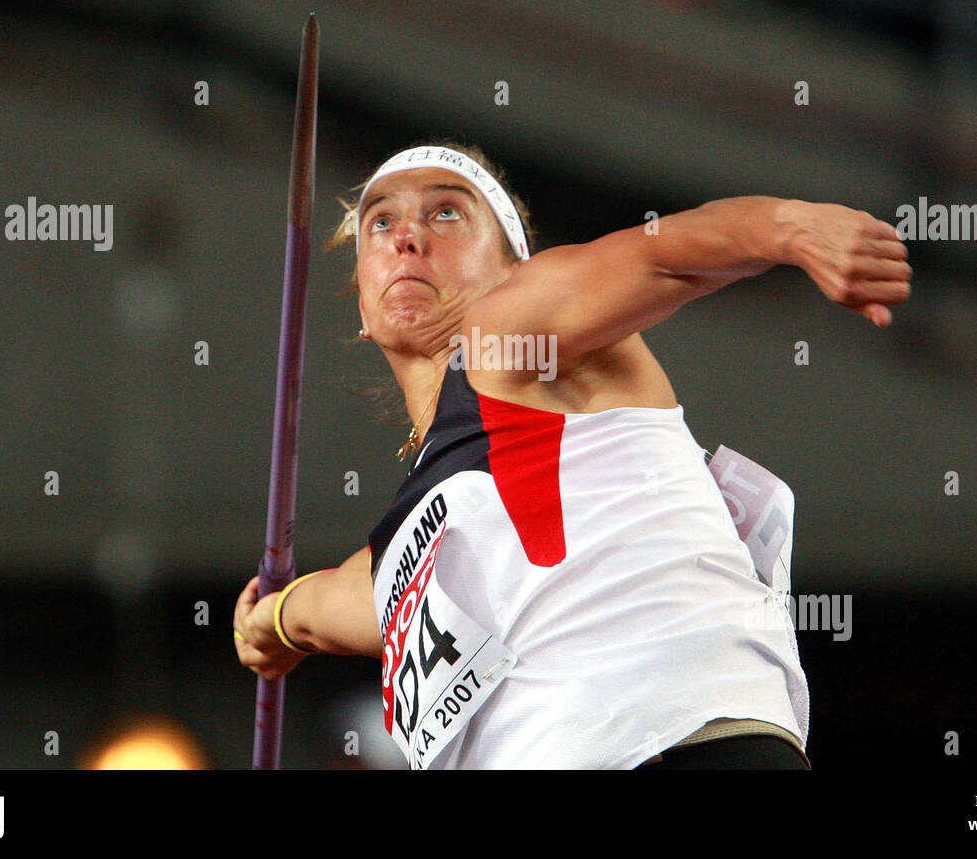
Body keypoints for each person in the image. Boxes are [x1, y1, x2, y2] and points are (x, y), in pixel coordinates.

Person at [234, 140, 911, 769]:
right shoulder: (417, 544)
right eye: (380, 224)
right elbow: (352, 598)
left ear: (515, 265)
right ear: (360, 297)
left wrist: (788, 227)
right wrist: (275, 619)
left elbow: (663, 254)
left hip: (674, 749)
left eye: (446, 212)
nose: (407, 235)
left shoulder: (506, 335)